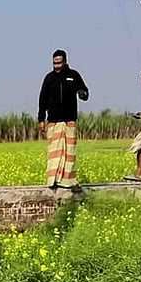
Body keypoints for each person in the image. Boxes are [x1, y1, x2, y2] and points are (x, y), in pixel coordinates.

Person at [37, 49, 89, 191]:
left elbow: (85, 92)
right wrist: (41, 118)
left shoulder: (73, 76)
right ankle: (53, 180)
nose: (57, 66)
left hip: (69, 119)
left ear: (65, 61)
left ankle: (68, 181)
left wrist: (82, 94)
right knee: (55, 151)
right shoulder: (49, 78)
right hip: (53, 120)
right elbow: (42, 99)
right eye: (54, 63)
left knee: (69, 151)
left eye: (59, 63)